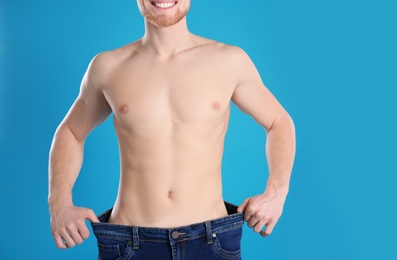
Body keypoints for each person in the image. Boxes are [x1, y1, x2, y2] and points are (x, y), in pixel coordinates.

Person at [48, 0, 296, 259]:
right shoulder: (108, 66)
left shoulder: (229, 60)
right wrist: (58, 202)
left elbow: (279, 122)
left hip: (211, 243)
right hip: (130, 243)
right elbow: (71, 133)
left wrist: (276, 193)